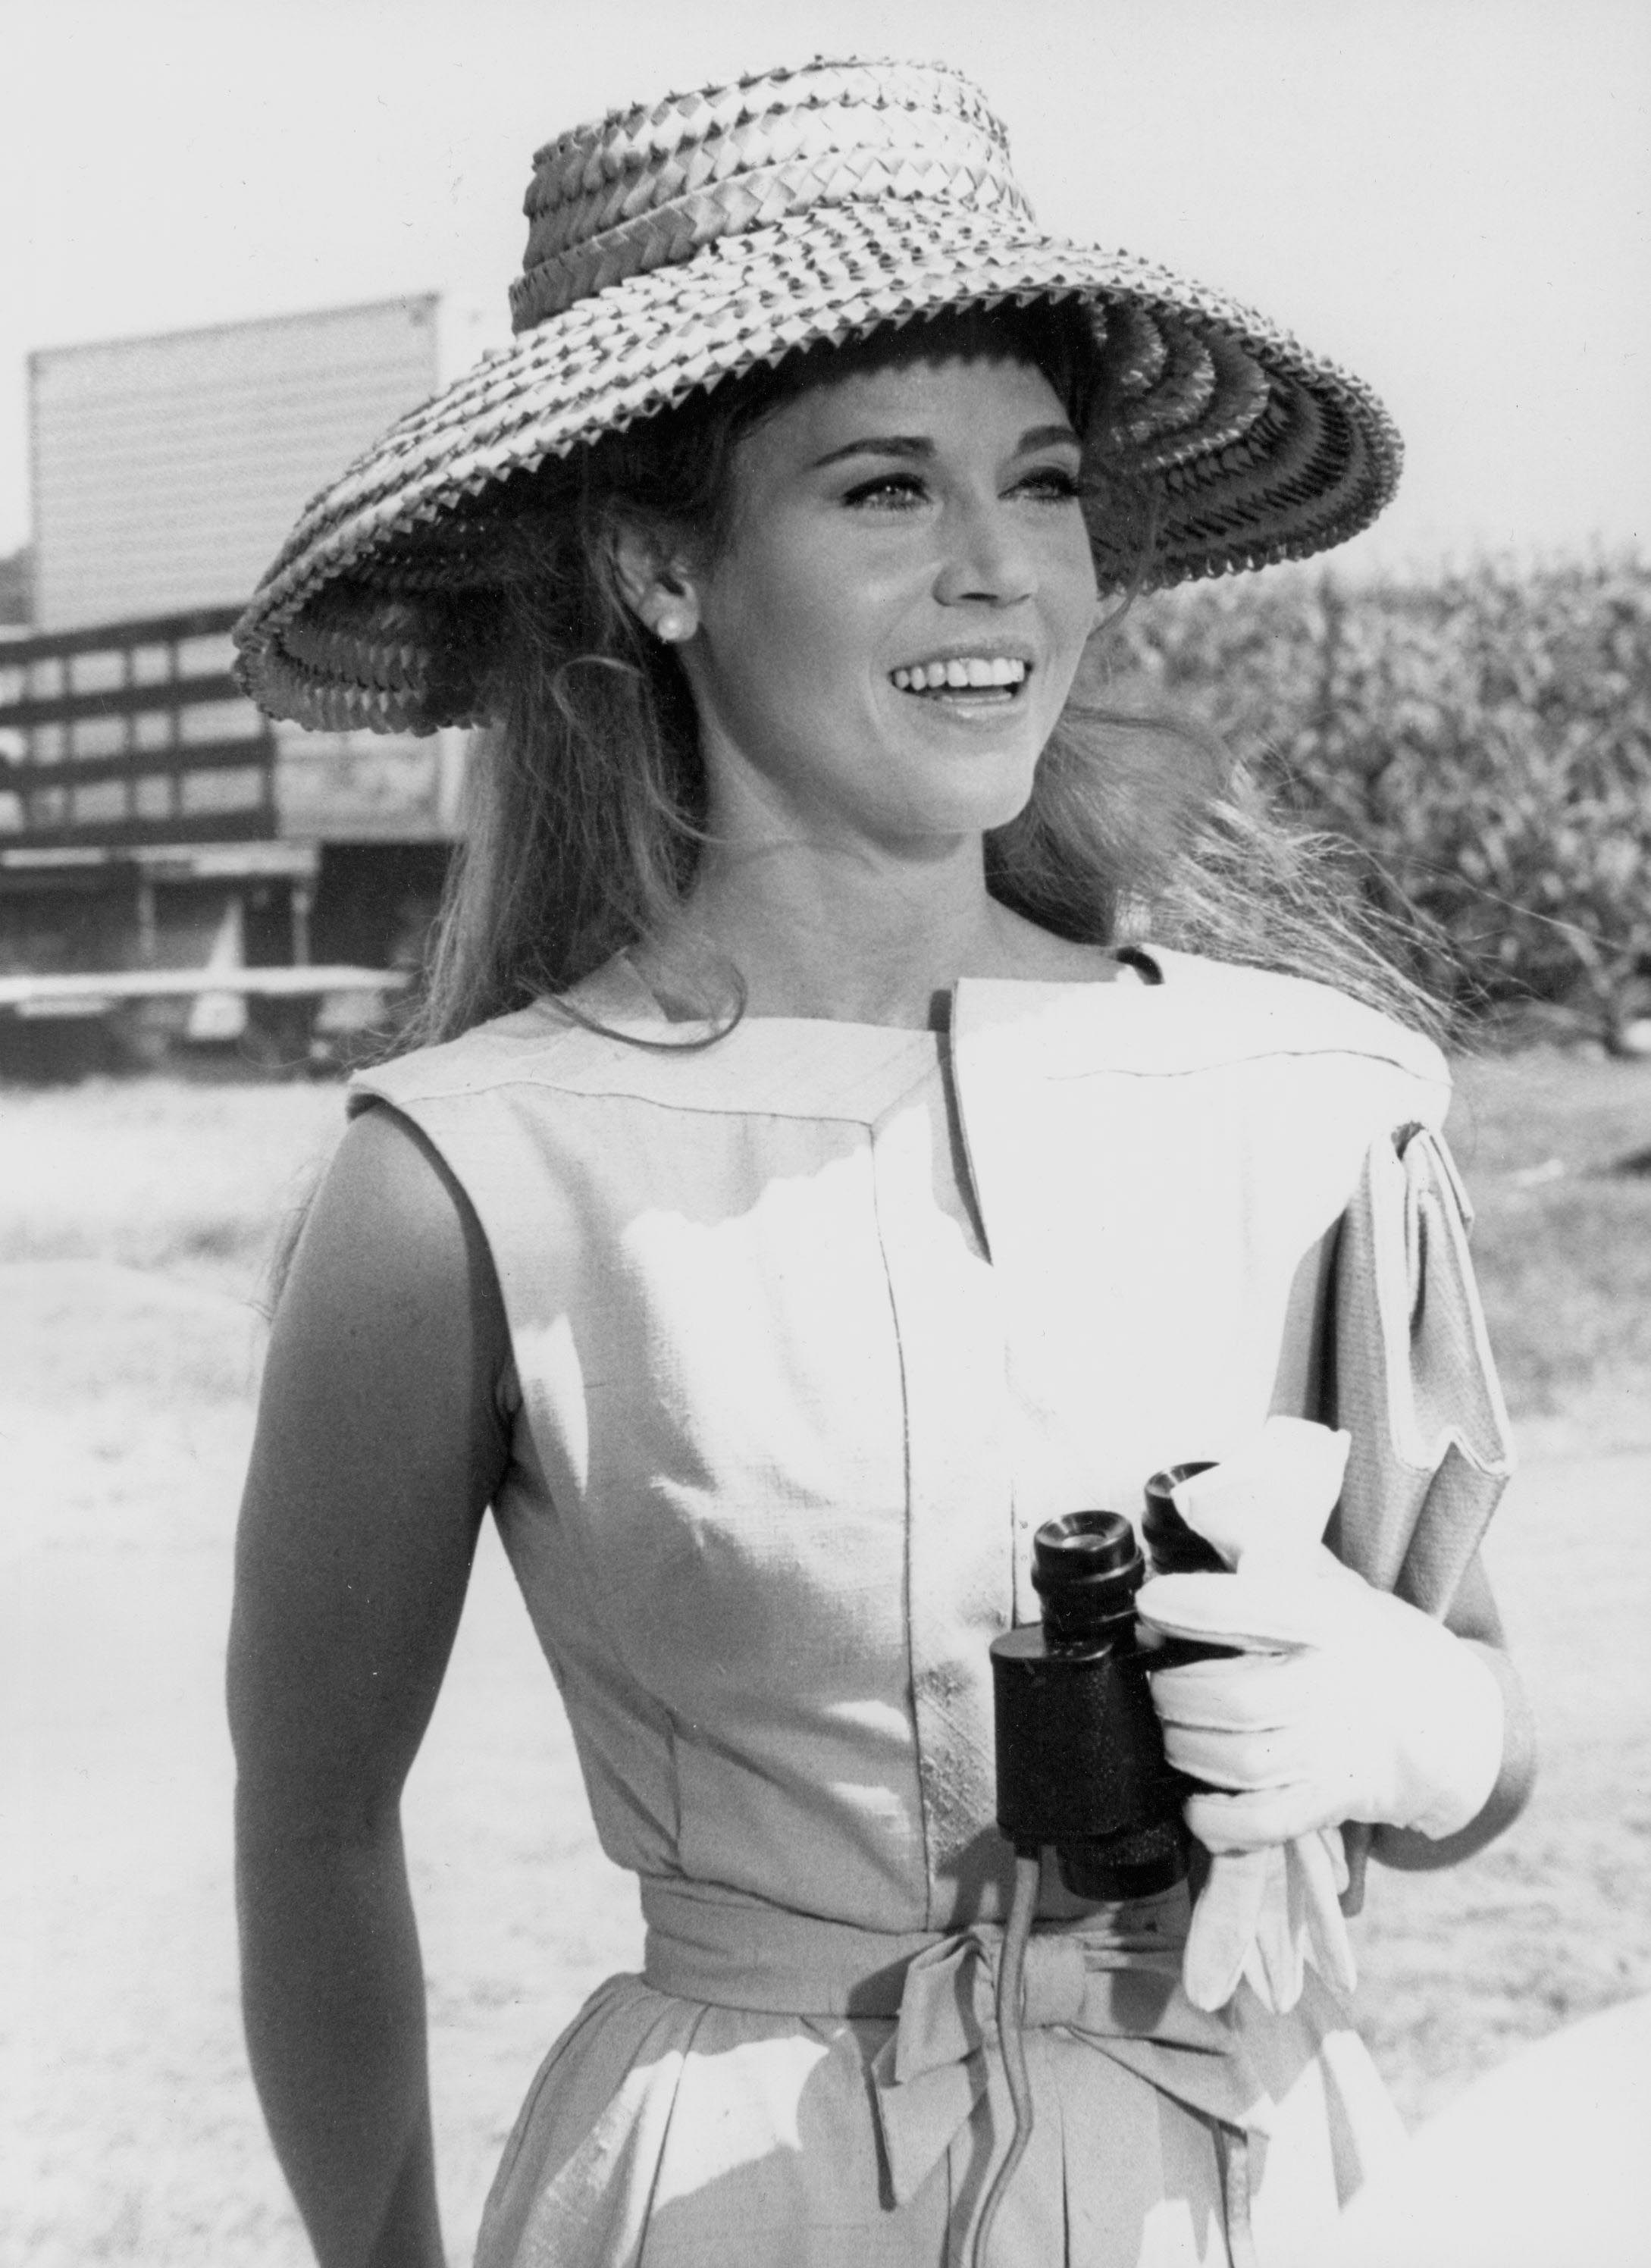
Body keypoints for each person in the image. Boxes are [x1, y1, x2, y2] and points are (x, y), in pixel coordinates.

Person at [227, 56, 1535, 2268]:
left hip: (1248, 2194)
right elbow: (313, 1821)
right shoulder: (467, 1178)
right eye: (882, 488)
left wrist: (1422, 1730)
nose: (998, 568)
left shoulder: (1318, 1108)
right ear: (658, 562)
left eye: (1042, 482)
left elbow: (1477, 1775)